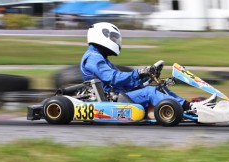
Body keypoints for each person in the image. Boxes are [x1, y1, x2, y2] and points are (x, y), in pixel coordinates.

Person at [80, 22, 216, 113]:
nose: (116, 41)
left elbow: (123, 82)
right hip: (110, 100)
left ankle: (187, 105)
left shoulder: (100, 58)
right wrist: (138, 73)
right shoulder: (93, 58)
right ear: (101, 36)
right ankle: (189, 108)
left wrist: (144, 78)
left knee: (157, 88)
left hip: (118, 94)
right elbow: (113, 78)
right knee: (150, 92)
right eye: (113, 38)